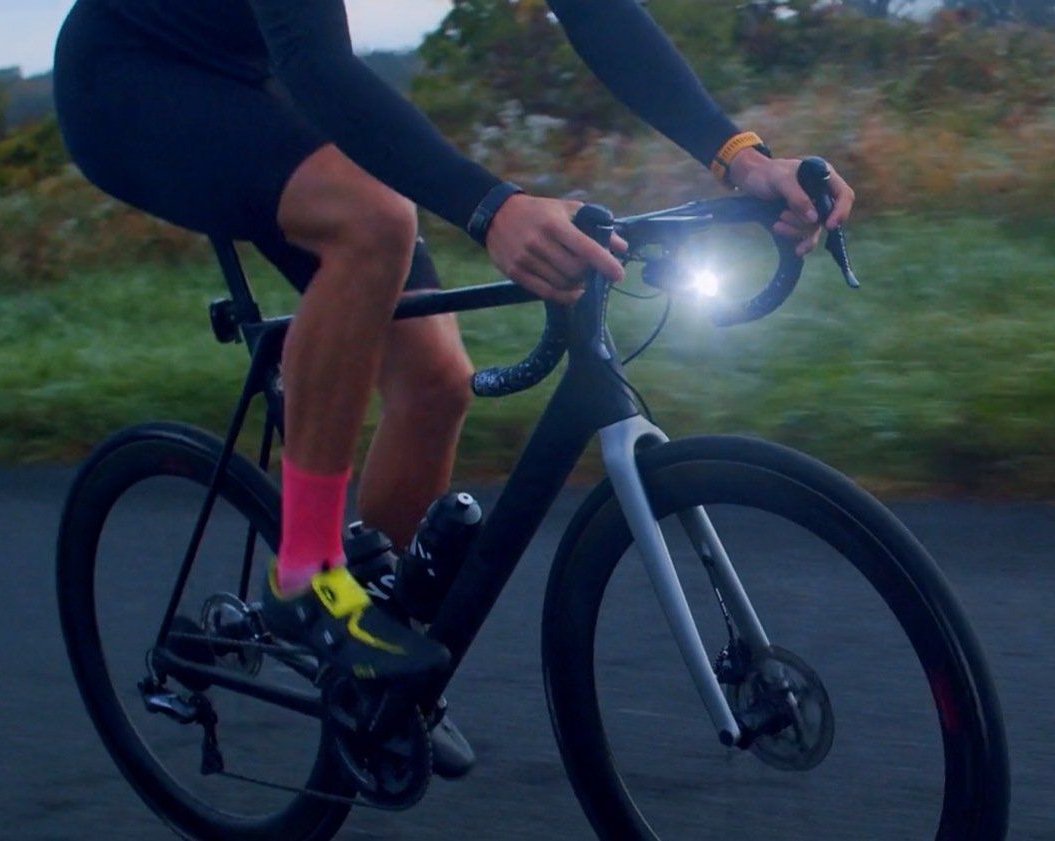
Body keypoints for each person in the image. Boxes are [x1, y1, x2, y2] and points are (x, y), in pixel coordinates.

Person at [53, 0, 855, 681]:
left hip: (250, 73)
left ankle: (368, 660)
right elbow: (317, 66)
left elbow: (598, 12)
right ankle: (305, 575)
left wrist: (740, 158)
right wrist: (492, 208)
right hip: (130, 80)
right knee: (372, 221)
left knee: (437, 381)